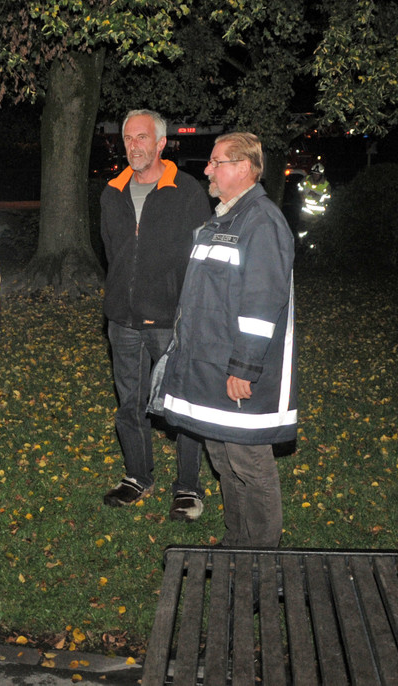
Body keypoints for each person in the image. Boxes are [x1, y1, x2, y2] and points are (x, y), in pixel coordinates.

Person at [152, 131, 297, 547]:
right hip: (207, 367)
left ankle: (262, 554)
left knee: (249, 462)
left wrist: (244, 368)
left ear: (244, 168)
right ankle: (238, 541)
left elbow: (261, 306)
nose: (208, 170)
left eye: (217, 163)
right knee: (222, 458)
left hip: (235, 371)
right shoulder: (223, 219)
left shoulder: (262, 222)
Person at [99, 110, 210, 521]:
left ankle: (188, 488)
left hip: (170, 320)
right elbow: (112, 250)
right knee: (130, 404)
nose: (134, 145)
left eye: (142, 137)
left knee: (180, 407)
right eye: (128, 138)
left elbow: (201, 258)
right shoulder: (112, 191)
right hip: (123, 319)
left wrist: (188, 310)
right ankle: (137, 476)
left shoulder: (187, 191)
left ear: (161, 143)